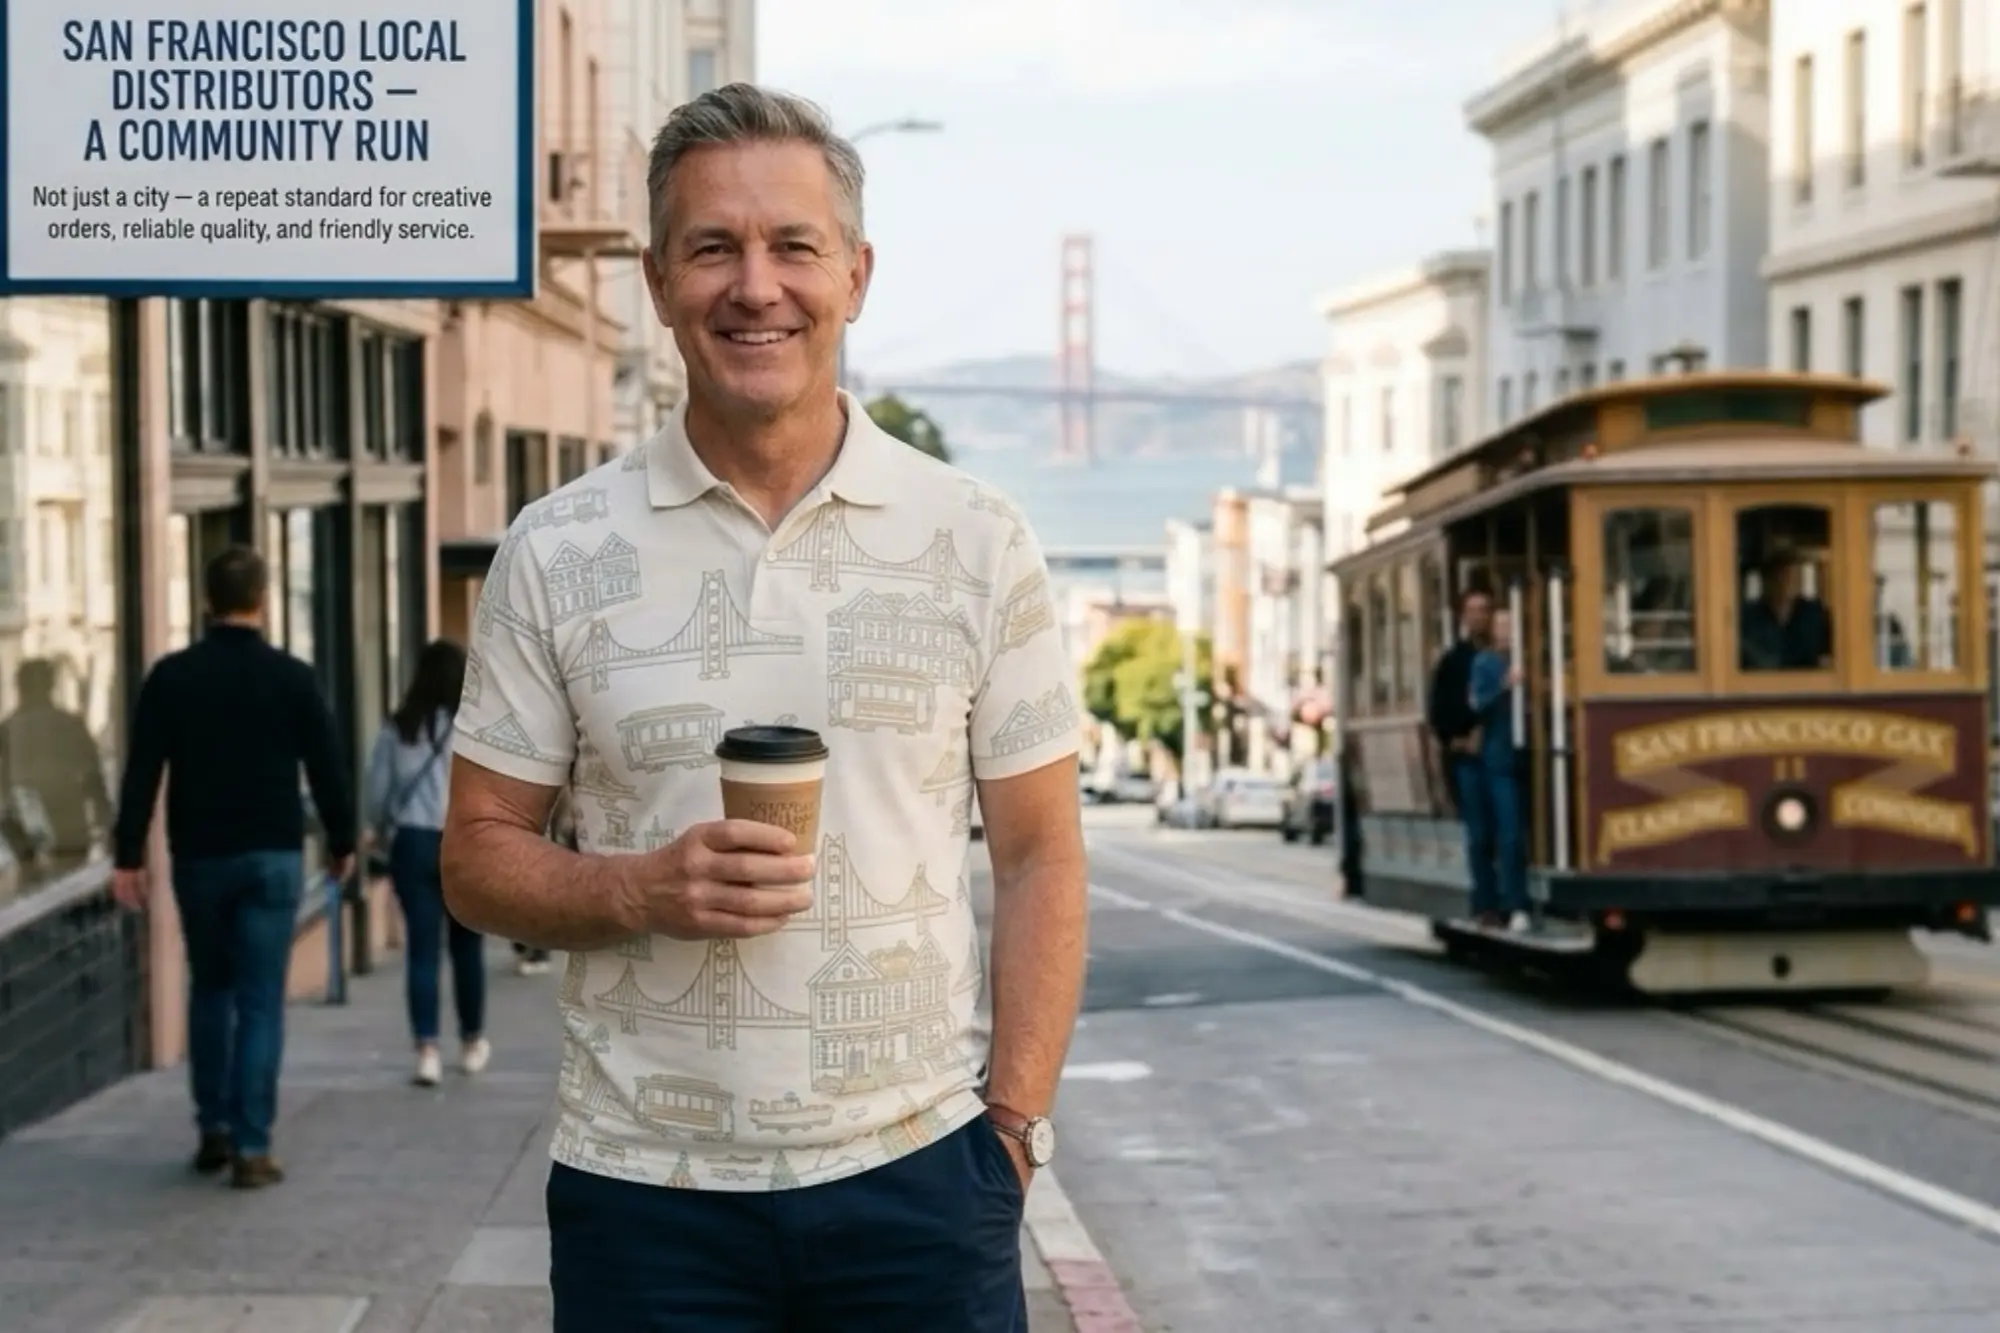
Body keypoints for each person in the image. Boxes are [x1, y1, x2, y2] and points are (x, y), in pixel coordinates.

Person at [440, 83, 1088, 1332]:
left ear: (855, 274)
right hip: (645, 1200)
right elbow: (474, 859)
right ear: (654, 277)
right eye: (712, 248)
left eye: (791, 246)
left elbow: (1040, 851)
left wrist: (1011, 1127)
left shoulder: (974, 538)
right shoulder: (556, 548)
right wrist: (636, 888)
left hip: (921, 1182)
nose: (754, 286)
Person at [110, 545, 356, 1189]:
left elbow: (142, 771)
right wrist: (343, 840)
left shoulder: (171, 677)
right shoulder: (293, 679)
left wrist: (127, 854)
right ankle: (253, 1145)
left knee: (211, 989)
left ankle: (213, 1129)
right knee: (260, 1003)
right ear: (264, 602)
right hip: (272, 854)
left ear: (206, 602)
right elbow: (328, 766)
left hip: (200, 857)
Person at [365, 639, 489, 1087]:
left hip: (413, 842)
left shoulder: (400, 726)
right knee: (467, 945)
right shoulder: (475, 725)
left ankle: (427, 1050)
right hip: (463, 842)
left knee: (422, 948)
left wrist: (378, 826)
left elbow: (377, 790)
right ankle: (472, 1042)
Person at [0, 658, 112, 873]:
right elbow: (93, 778)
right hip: (66, 826)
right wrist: (104, 817)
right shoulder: (70, 725)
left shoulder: (8, 729)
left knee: (35, 880)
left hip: (38, 824)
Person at [1427, 586, 1498, 924]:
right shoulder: (1453, 661)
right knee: (1479, 832)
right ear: (1463, 617)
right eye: (1473, 611)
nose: (1479, 617)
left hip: (1499, 755)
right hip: (1468, 759)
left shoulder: (1505, 655)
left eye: (1484, 610)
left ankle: (1504, 899)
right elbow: (1438, 709)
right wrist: (1457, 739)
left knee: (1506, 832)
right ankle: (1485, 902)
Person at [1470, 607, 1532, 931]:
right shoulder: (1485, 663)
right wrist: (1505, 685)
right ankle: (1514, 903)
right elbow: (1478, 704)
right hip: (1500, 757)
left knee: (1523, 832)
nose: (1507, 631)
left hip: (1533, 755)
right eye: (1502, 625)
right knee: (1509, 833)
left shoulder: (1532, 657)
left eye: (1512, 625)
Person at [1739, 544, 1832, 671]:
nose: (1786, 583)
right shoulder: (1746, 618)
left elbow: (1829, 658)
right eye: (1780, 576)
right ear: (1767, 581)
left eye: (1792, 576)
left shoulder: (1814, 615)